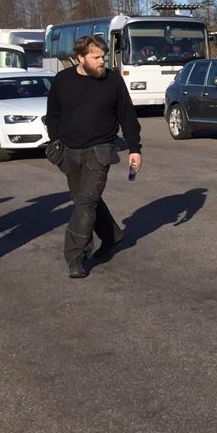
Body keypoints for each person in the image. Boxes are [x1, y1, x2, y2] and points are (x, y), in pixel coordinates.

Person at [44, 34, 142, 279]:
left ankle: (75, 256)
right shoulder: (62, 80)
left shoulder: (113, 81)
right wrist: (55, 142)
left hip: (100, 151)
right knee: (85, 200)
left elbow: (127, 116)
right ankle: (112, 236)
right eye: (96, 57)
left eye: (104, 56)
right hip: (68, 152)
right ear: (80, 58)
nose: (102, 61)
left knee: (85, 203)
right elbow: (53, 115)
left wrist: (135, 148)